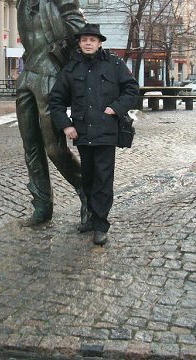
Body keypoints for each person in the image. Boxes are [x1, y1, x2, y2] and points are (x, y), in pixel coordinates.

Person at [14, 0, 88, 226]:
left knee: (55, 149)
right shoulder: (21, 0)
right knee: (31, 147)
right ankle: (42, 205)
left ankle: (86, 191)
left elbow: (82, 35)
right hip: (28, 77)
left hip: (52, 75)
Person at [49, 24, 139, 245]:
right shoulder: (72, 68)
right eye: (84, 40)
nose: (88, 43)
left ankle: (100, 225)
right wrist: (66, 125)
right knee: (88, 178)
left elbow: (132, 90)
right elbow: (56, 100)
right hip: (82, 133)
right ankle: (91, 218)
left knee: (103, 180)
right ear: (79, 44)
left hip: (106, 131)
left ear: (99, 43)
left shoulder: (114, 65)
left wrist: (116, 108)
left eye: (92, 40)